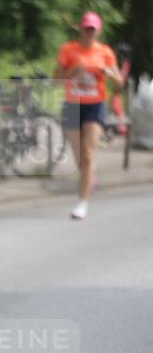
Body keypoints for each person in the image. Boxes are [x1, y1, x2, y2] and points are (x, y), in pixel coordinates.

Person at [53, 11, 123, 220]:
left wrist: (108, 73)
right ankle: (88, 177)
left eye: (92, 30)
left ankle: (82, 204)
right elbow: (55, 81)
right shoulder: (68, 49)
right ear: (80, 29)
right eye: (86, 29)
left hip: (94, 106)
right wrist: (72, 71)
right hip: (72, 106)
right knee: (80, 160)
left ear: (97, 31)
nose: (89, 33)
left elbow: (119, 85)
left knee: (88, 154)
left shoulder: (105, 52)